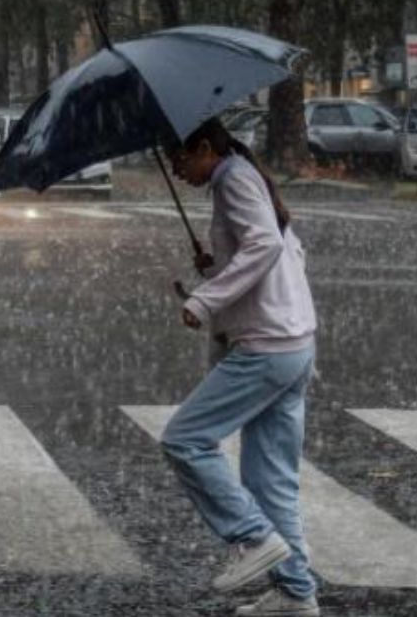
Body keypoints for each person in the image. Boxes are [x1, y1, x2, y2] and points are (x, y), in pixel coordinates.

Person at [160, 118, 320, 617]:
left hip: (266, 346)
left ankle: (253, 538)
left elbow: (264, 247)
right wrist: (215, 265)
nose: (177, 171)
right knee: (270, 480)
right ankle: (297, 594)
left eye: (180, 160)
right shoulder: (243, 176)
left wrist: (206, 300)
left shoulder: (232, 178)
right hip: (293, 343)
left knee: (184, 439)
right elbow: (280, 251)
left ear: (204, 147)